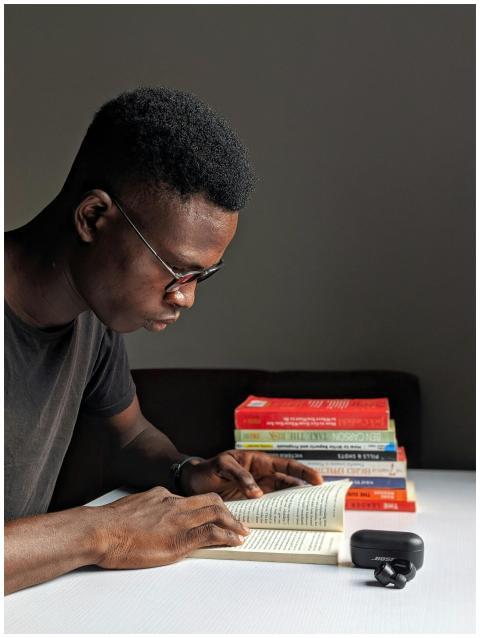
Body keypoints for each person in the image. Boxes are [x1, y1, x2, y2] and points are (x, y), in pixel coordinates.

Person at [4, 87, 323, 595]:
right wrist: (103, 531)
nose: (186, 298)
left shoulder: (91, 321)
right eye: (177, 270)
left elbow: (128, 437)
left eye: (202, 276)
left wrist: (188, 471)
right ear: (93, 218)